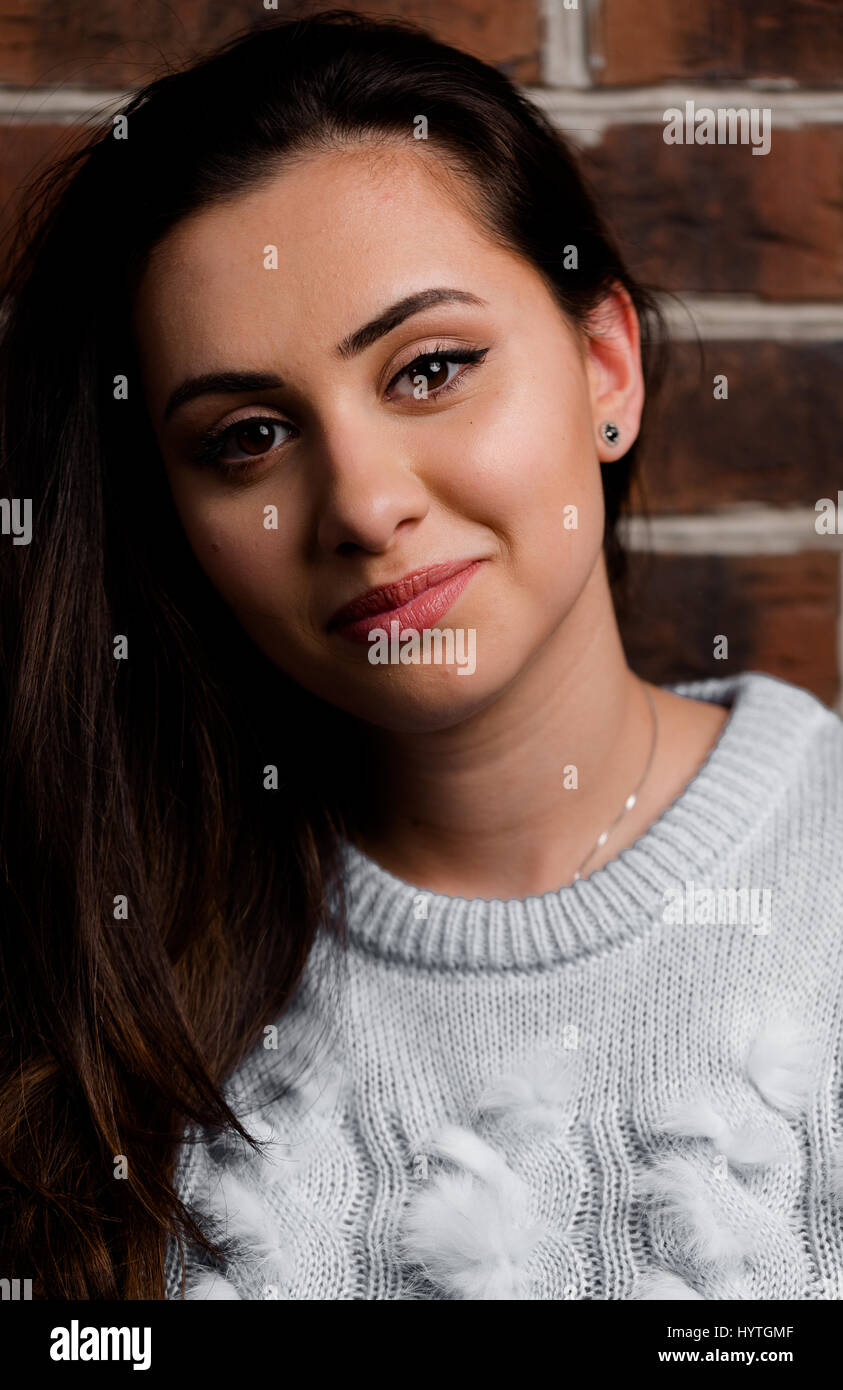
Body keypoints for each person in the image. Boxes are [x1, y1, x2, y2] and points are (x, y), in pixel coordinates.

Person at [1, 10, 841, 1302]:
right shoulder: (107, 990)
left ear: (605, 363)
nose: (362, 501)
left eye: (430, 367)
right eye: (246, 437)